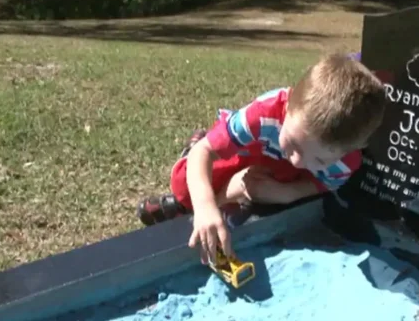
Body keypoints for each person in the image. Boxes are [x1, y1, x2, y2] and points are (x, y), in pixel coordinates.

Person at [136, 53, 386, 265]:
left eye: (320, 161)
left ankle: (227, 194)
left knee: (273, 208)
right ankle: (186, 196)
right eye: (294, 142)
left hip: (278, 177)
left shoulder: (345, 162)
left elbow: (324, 184)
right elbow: (205, 152)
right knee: (184, 184)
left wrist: (287, 193)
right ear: (288, 106)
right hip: (248, 152)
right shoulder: (263, 114)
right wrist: (204, 207)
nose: (298, 160)